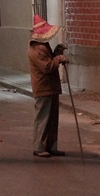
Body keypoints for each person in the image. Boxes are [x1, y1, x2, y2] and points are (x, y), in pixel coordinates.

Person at [28, 15, 69, 158]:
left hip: (50, 87)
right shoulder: (37, 48)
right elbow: (47, 66)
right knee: (43, 118)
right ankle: (39, 147)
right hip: (43, 87)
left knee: (52, 120)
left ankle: (50, 146)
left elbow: (50, 60)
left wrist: (57, 51)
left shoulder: (43, 46)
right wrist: (59, 58)